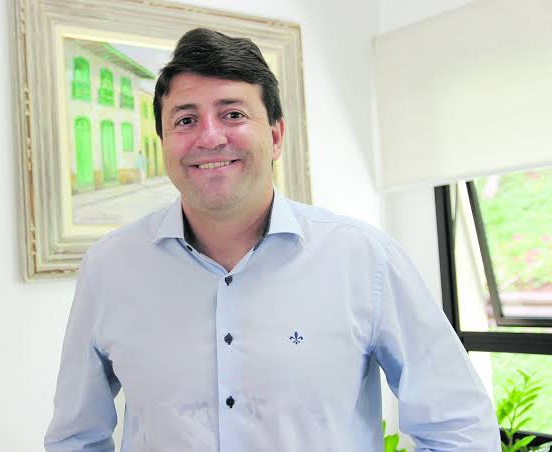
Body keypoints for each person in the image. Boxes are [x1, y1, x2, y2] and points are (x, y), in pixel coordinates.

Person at [45, 28, 500, 451]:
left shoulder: (363, 259)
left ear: (276, 135)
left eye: (233, 114)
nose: (209, 137)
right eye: (185, 120)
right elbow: (76, 438)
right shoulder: (111, 267)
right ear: (164, 141)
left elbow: (459, 426)